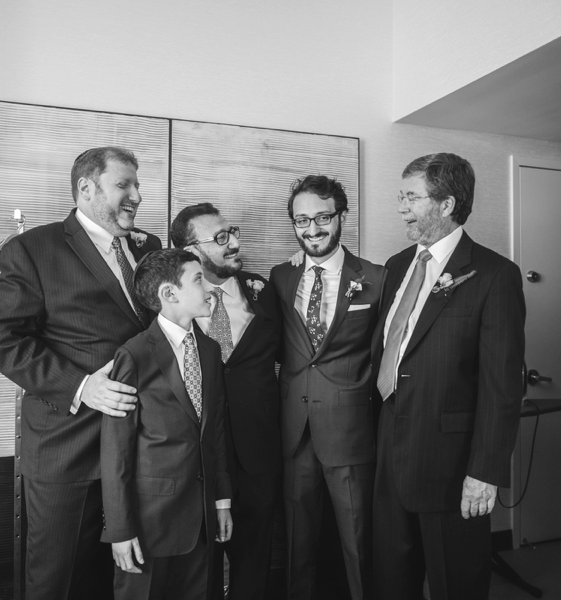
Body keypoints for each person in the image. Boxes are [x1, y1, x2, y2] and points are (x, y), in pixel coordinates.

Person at [0, 146, 161, 599]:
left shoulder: (150, 246)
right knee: (57, 580)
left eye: (138, 185)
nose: (137, 196)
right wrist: (81, 386)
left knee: (124, 579)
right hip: (69, 446)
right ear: (86, 188)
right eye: (124, 185)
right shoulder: (33, 248)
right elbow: (1, 338)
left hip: (142, 445)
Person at [371, 153, 526, 600]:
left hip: (451, 466)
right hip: (389, 455)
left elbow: (502, 386)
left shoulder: (495, 275)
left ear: (446, 204)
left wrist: (485, 472)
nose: (401, 207)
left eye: (411, 197)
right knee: (391, 580)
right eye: (401, 196)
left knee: (456, 583)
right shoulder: (397, 265)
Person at [270, 175, 385, 600]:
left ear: (342, 217)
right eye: (302, 220)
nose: (313, 229)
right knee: (296, 541)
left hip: (349, 430)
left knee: (359, 541)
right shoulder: (280, 276)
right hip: (294, 427)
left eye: (323, 217)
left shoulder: (376, 278)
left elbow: (384, 352)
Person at [101, 249, 233, 600]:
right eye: (198, 279)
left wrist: (221, 501)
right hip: (149, 525)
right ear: (169, 293)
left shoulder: (210, 350)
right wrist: (119, 529)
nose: (209, 288)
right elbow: (116, 450)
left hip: (202, 521)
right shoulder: (134, 355)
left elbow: (215, 431)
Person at [170, 203, 282, 600]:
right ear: (190, 250)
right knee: (199, 567)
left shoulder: (264, 290)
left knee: (254, 564)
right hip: (199, 458)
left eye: (232, 232)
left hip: (258, 453)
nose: (234, 243)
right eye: (220, 238)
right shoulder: (173, 301)